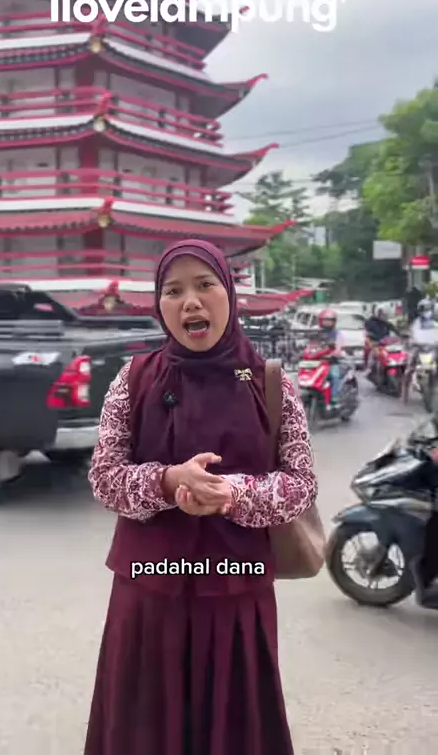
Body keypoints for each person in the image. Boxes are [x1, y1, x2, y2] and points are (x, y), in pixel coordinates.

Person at [84, 238, 317, 755]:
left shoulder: (268, 383)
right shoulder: (133, 379)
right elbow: (104, 477)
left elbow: (300, 486)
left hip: (235, 598)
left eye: (205, 285)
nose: (190, 301)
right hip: (147, 597)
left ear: (229, 293)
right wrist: (168, 482)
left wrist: (230, 493)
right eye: (173, 291)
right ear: (159, 304)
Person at [402, 299, 438, 403]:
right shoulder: (416, 323)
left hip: (431, 347)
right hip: (419, 348)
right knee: (409, 369)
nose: (426, 312)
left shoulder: (434, 323)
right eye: (423, 310)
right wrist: (411, 341)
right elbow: (411, 334)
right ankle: (404, 395)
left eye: (427, 309)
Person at [315, 308, 346, 405]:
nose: (327, 322)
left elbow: (338, 348)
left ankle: (334, 396)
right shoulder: (317, 333)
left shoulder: (338, 334)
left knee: (334, 376)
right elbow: (310, 346)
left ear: (334, 322)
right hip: (318, 362)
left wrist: (333, 354)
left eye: (330, 320)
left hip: (331, 362)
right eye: (325, 320)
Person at [363, 306, 395, 374]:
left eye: (385, 315)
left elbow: (395, 332)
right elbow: (366, 333)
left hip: (385, 345)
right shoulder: (370, 322)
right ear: (377, 314)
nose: (384, 316)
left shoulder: (387, 324)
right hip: (374, 344)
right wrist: (371, 339)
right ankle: (369, 368)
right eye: (382, 314)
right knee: (372, 353)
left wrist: (400, 336)